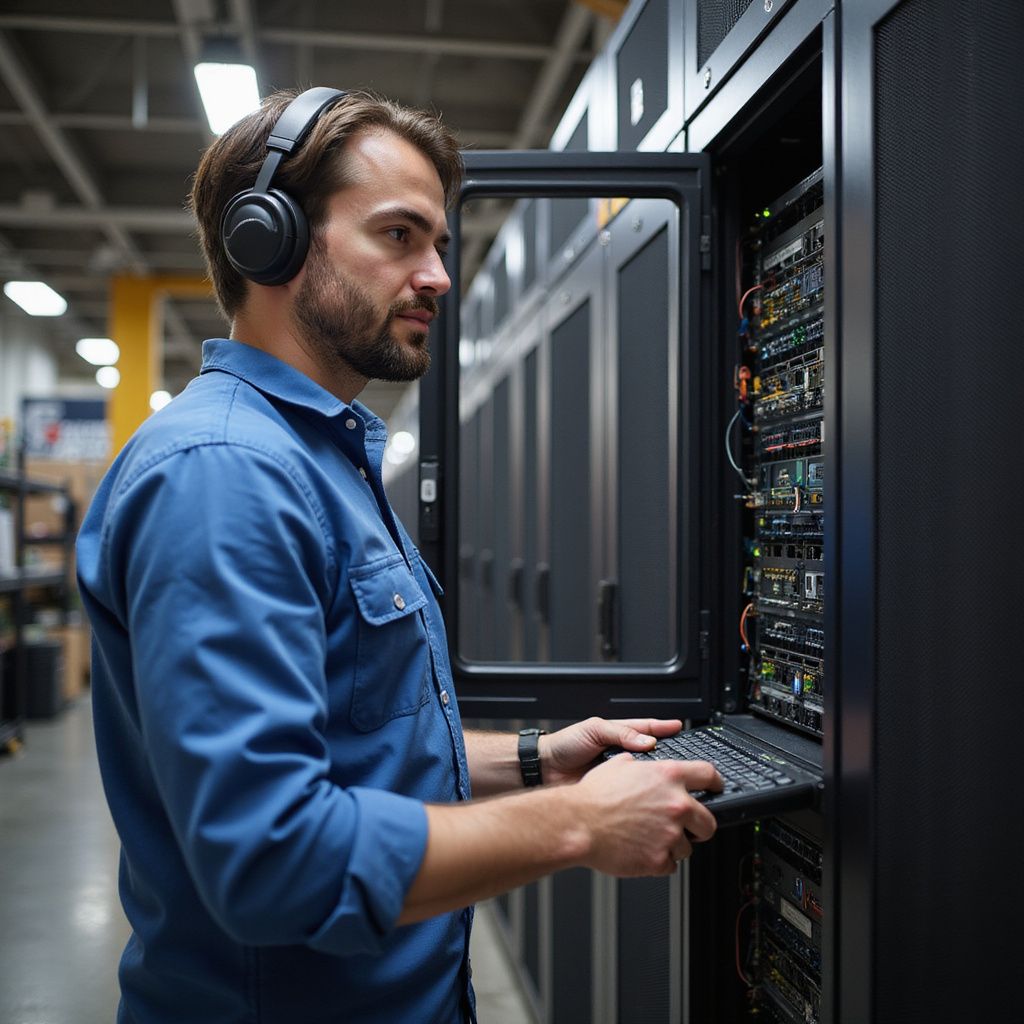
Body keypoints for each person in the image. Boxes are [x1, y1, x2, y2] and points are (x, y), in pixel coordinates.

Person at [77, 87, 722, 1024]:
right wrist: (578, 825)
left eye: (440, 245)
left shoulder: (318, 459)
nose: (438, 276)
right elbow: (271, 857)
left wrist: (542, 761)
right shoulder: (225, 475)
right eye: (399, 236)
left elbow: (352, 746)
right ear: (274, 242)